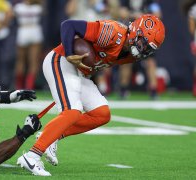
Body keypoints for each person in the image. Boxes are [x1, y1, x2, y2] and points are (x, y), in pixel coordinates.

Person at [17, 14, 165, 176]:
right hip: (61, 61)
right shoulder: (112, 32)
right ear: (135, 32)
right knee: (72, 111)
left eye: (148, 49)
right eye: (143, 43)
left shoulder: (130, 54)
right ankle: (32, 156)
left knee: (101, 114)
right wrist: (69, 54)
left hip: (79, 72)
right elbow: (68, 25)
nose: (143, 50)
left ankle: (52, 136)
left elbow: (96, 61)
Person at [118, 0, 162, 99]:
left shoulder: (149, 2)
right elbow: (122, 13)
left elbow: (158, 14)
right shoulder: (126, 1)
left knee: (150, 61)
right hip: (131, 33)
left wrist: (142, 17)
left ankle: (154, 90)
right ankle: (123, 89)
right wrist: (137, 15)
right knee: (126, 61)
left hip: (146, 36)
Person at [14, 0, 43, 90]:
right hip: (32, 30)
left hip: (25, 30)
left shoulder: (19, 7)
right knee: (27, 61)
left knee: (25, 60)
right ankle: (26, 86)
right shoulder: (38, 8)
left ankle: (24, 86)